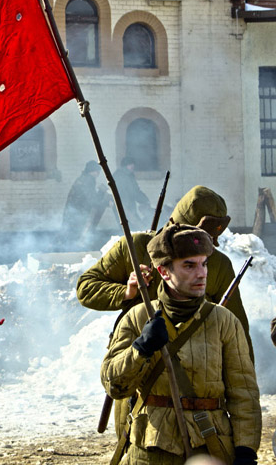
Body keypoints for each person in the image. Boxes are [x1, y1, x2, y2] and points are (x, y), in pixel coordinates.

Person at [77, 185, 254, 437]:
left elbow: (240, 340)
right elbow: (86, 287)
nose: (200, 264)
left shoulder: (218, 265)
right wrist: (126, 292)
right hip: (138, 377)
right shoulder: (137, 246)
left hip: (196, 384)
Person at [101, 223, 261, 465]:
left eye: (204, 263)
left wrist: (246, 451)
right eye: (189, 265)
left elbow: (244, 395)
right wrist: (141, 349)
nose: (202, 273)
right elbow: (114, 386)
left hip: (210, 448)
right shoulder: (137, 317)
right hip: (151, 449)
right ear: (164, 271)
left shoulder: (223, 321)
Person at [59, 160, 110, 247]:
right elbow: (92, 200)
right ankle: (70, 253)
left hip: (73, 212)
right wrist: (103, 196)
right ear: (93, 171)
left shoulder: (82, 178)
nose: (98, 173)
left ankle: (64, 249)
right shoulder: (88, 180)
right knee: (74, 237)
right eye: (97, 171)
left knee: (68, 235)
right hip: (78, 213)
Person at [113, 157, 153, 230]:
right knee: (132, 227)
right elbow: (133, 192)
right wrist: (144, 200)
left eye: (133, 164)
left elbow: (135, 190)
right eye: (130, 164)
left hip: (128, 205)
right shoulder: (122, 176)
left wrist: (144, 199)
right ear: (125, 165)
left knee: (130, 227)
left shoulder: (128, 175)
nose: (132, 166)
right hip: (124, 206)